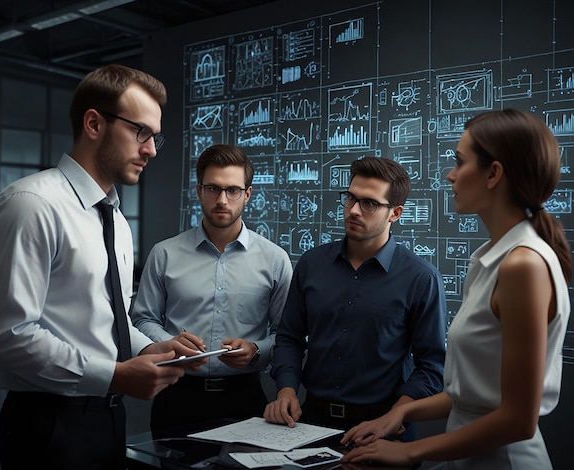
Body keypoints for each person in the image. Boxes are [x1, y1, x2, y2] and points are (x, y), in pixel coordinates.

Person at [0, 64, 203, 470]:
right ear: (94, 123)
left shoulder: (114, 217)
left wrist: (152, 348)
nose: (150, 149)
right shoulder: (31, 205)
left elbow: (108, 318)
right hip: (47, 422)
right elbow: (4, 336)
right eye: (140, 132)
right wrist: (115, 375)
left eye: (155, 137)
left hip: (108, 416)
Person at [340, 109, 572, 469]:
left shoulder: (522, 265)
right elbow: (475, 397)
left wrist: (410, 451)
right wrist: (399, 414)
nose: (450, 175)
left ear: (493, 173)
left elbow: (518, 420)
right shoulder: (492, 259)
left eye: (460, 162)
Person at [264, 156, 447, 440]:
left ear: (395, 213)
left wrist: (395, 415)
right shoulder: (312, 265)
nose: (354, 210)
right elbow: (289, 337)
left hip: (384, 431)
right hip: (309, 424)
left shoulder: (421, 279)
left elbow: (432, 366)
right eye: (350, 198)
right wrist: (286, 389)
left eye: (369, 204)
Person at [131, 143, 293, 436]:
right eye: (213, 189)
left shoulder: (275, 259)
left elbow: (287, 334)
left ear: (247, 194)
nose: (222, 199)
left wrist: (256, 350)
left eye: (232, 190)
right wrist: (169, 344)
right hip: (177, 397)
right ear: (198, 191)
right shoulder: (164, 253)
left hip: (245, 399)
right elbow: (143, 319)